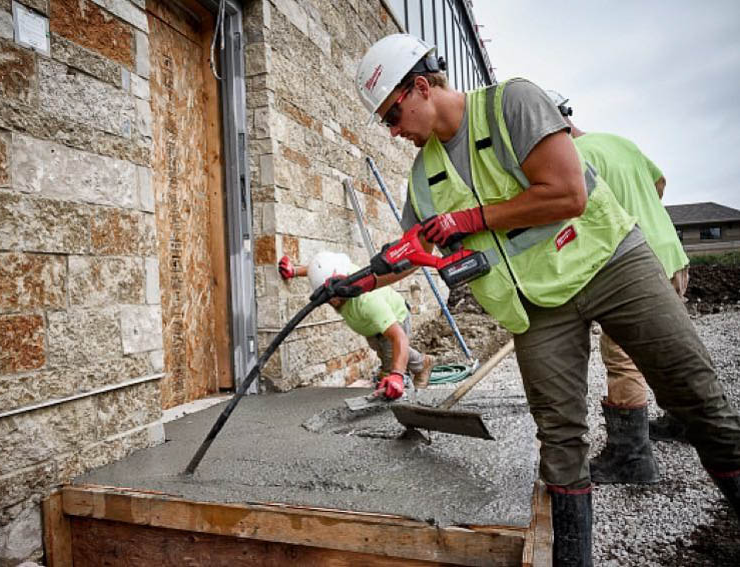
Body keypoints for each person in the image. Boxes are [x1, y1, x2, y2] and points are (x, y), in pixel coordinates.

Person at [349, 34, 740, 565]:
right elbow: (410, 250)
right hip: (537, 304)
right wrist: (352, 283)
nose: (393, 131)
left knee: (697, 398)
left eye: (392, 115)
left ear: (420, 86)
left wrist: (470, 220)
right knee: (559, 439)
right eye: (385, 124)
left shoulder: (512, 103)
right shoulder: (424, 176)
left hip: (609, 264)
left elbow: (567, 193)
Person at [546, 90, 691, 484]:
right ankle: (684, 421)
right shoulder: (618, 142)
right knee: (670, 345)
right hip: (670, 251)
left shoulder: (573, 159)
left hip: (632, 264)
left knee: (622, 357)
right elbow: (659, 183)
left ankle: (631, 457)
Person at [279, 251, 434, 397]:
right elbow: (317, 269)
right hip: (371, 326)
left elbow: (399, 337)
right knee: (381, 350)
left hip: (394, 315)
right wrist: (294, 271)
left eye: (335, 296)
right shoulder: (332, 269)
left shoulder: (367, 301)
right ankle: (422, 362)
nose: (333, 301)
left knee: (391, 362)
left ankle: (406, 392)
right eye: (327, 298)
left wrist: (397, 375)